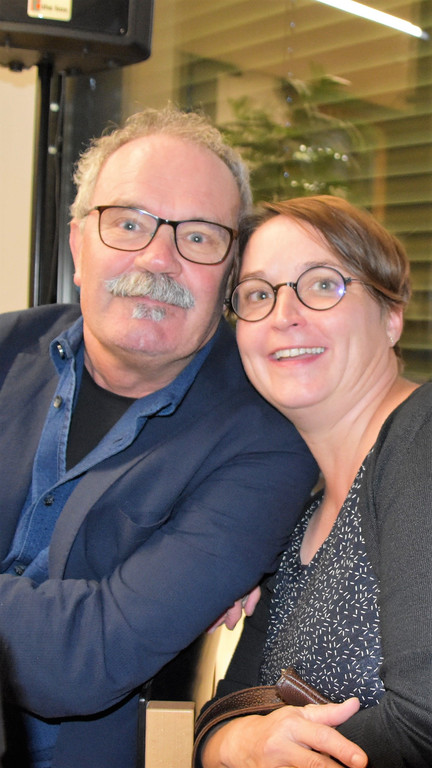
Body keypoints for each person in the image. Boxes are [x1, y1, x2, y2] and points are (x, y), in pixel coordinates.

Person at [0, 107, 318, 768]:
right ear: (77, 247)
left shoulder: (265, 438)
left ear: (230, 274)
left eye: (198, 236)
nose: (157, 259)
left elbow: (86, 660)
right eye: (128, 223)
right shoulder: (5, 349)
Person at [198, 195, 432, 768]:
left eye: (323, 284)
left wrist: (256, 746)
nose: (284, 315)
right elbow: (221, 717)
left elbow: (423, 726)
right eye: (258, 294)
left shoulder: (421, 439)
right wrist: (246, 743)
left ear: (392, 316)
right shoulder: (302, 513)